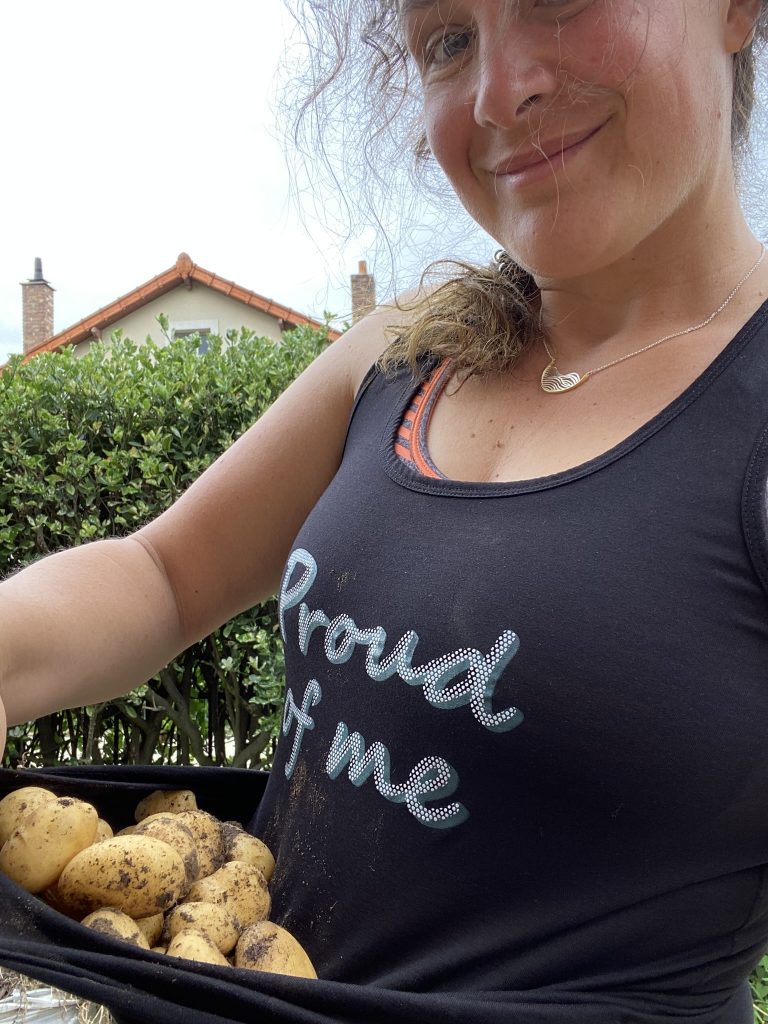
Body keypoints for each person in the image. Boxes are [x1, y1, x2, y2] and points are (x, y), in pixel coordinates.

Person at [2, 1, 768, 1020]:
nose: (502, 90)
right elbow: (164, 575)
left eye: (557, 0)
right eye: (449, 41)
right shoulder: (409, 354)